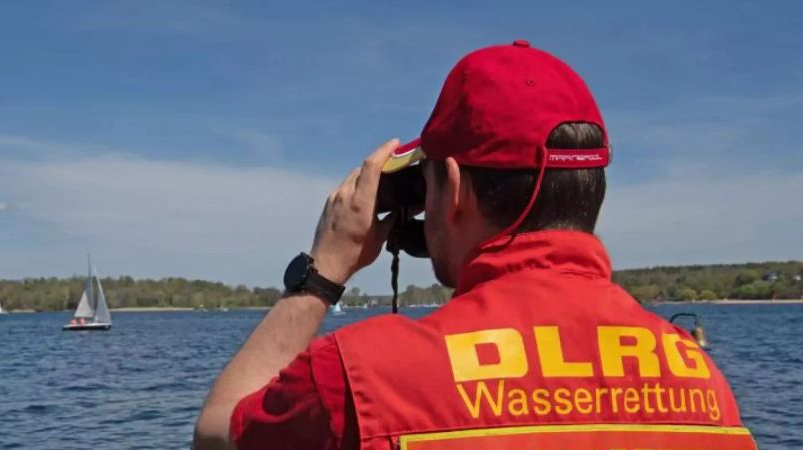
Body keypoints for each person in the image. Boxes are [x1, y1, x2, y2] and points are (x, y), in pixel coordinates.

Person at [194, 41, 756, 450]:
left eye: (427, 181)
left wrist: (323, 273)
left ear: (455, 188)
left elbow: (218, 433)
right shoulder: (704, 385)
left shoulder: (363, 375)